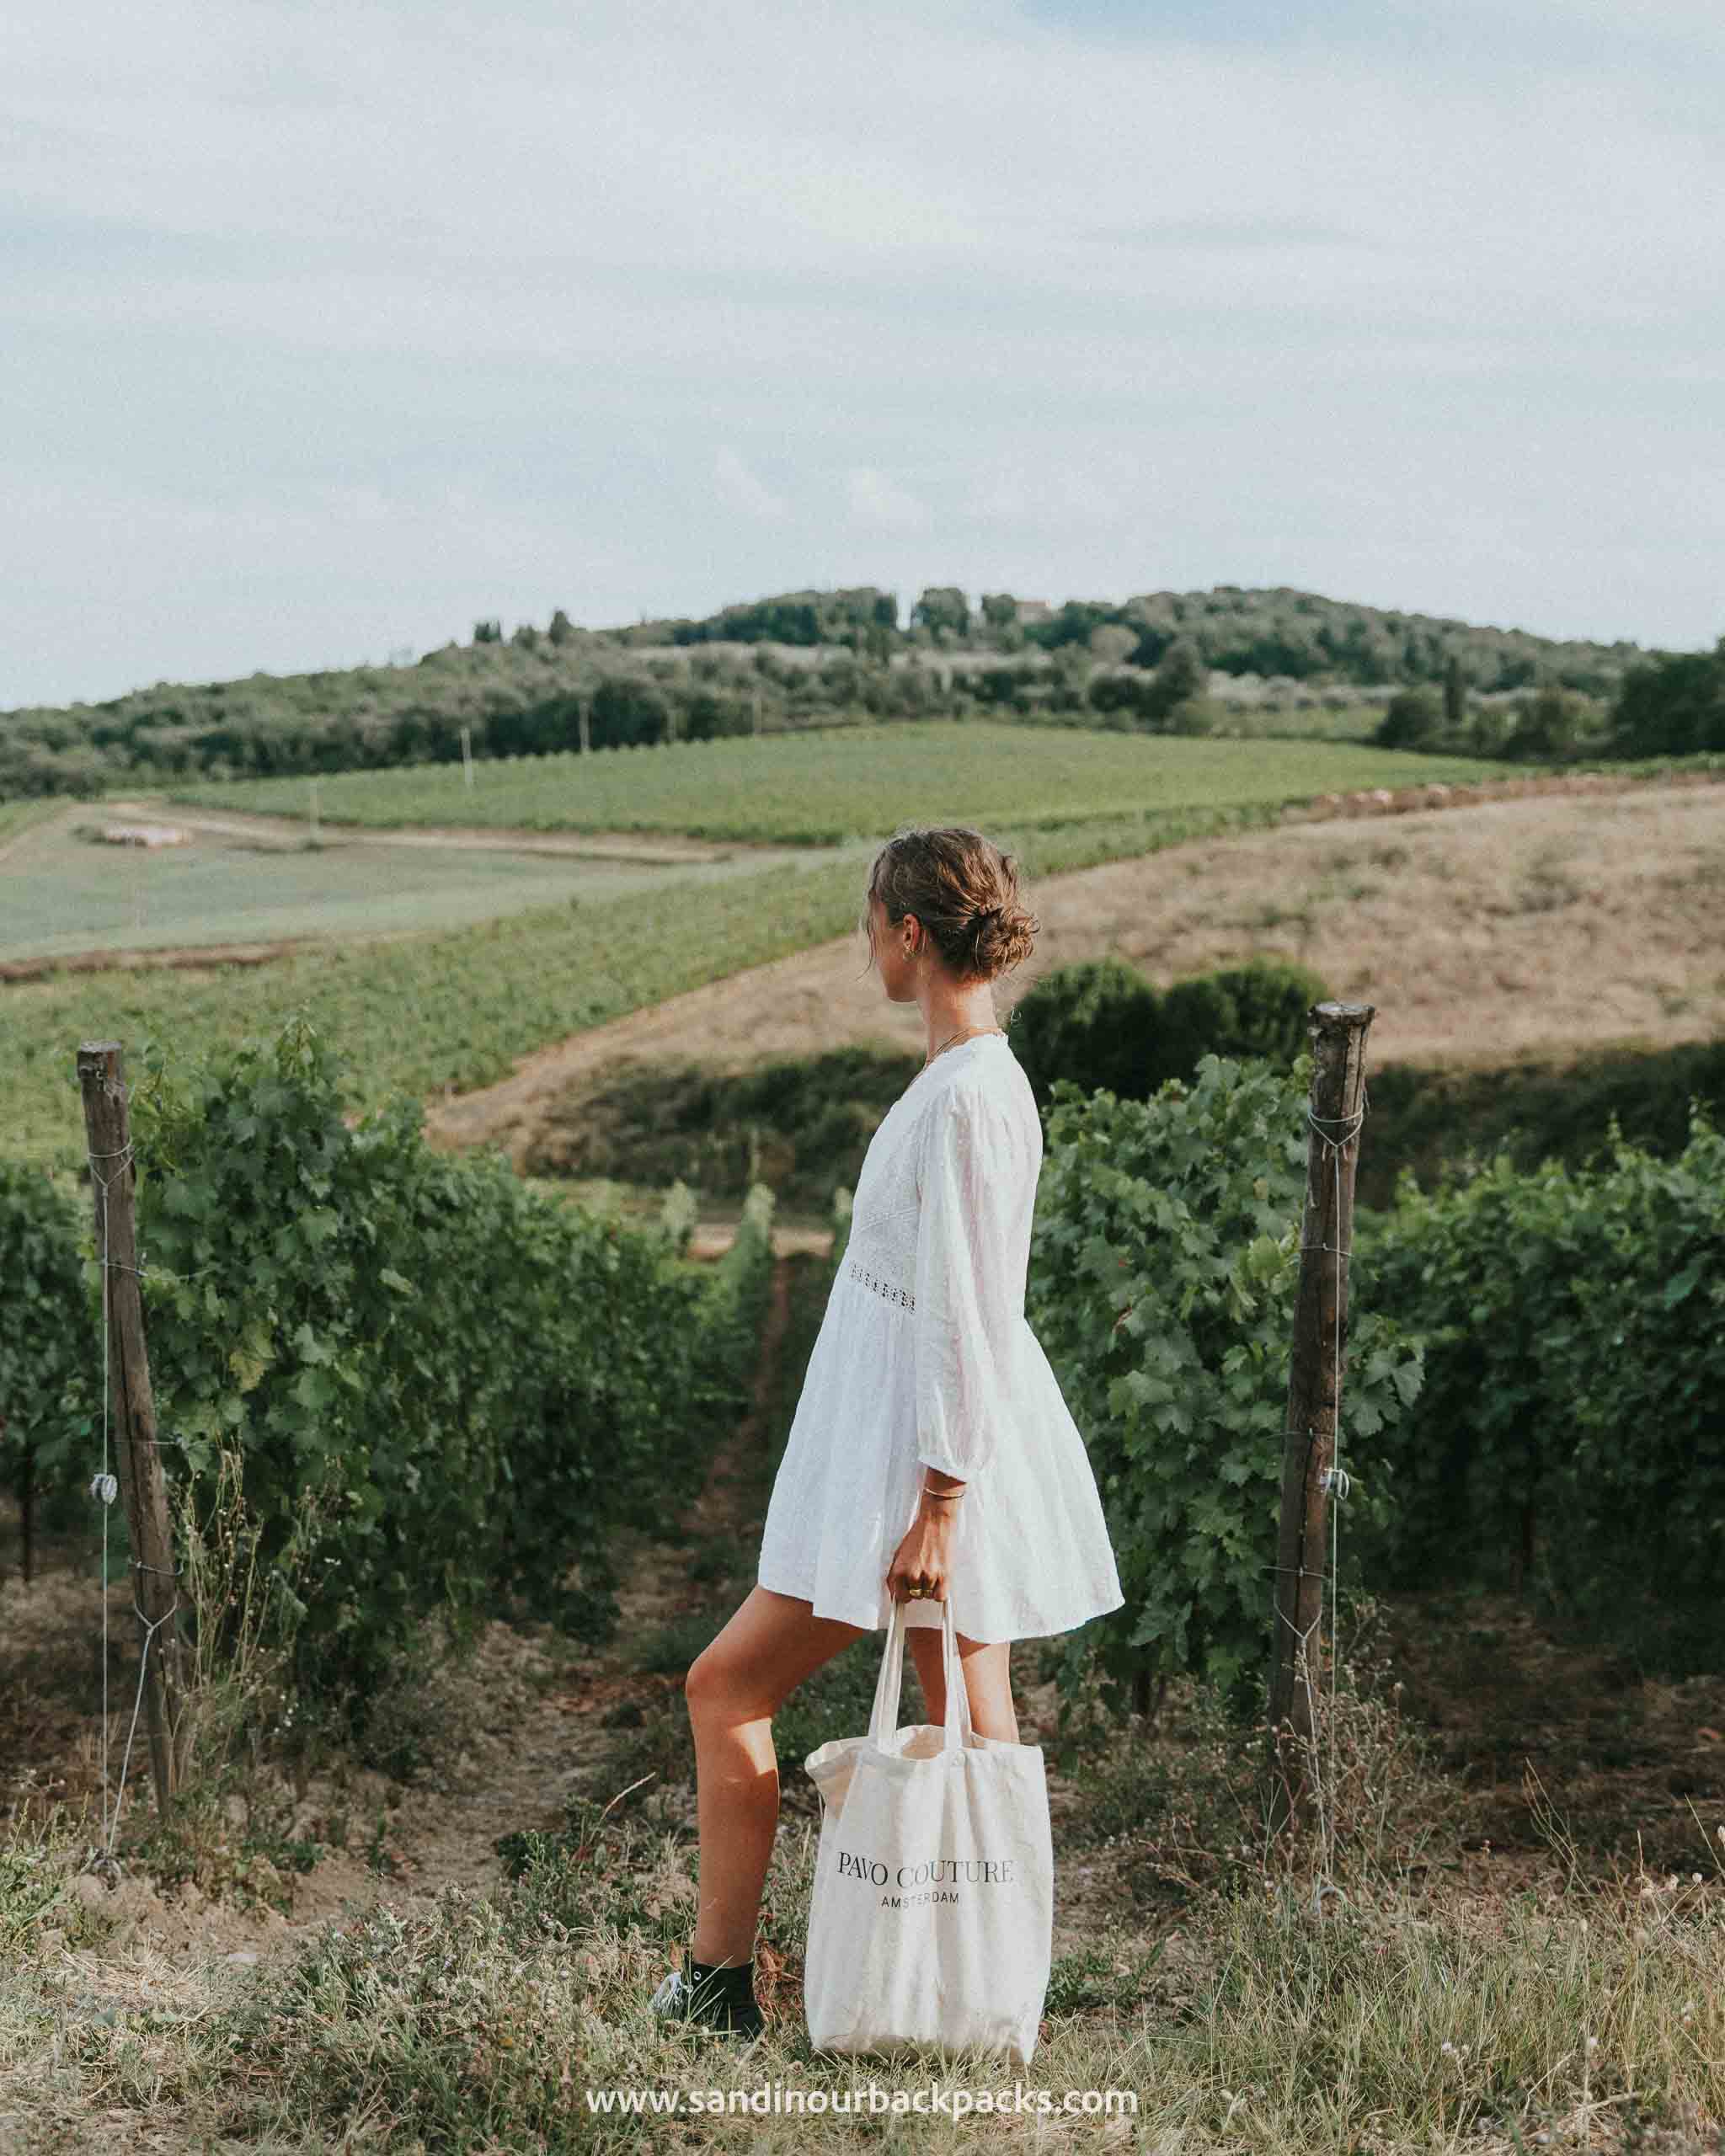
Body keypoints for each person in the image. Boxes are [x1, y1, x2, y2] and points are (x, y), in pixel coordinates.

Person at [649, 825, 1124, 2040]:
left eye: (873, 925)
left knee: (727, 1688)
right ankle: (979, 1994)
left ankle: (718, 1989)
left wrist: (941, 1507)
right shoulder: (971, 1082)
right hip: (916, 1451)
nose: (868, 946)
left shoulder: (970, 1096)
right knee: (972, 1732)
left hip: (911, 1468)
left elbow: (970, 1308)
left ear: (910, 933)